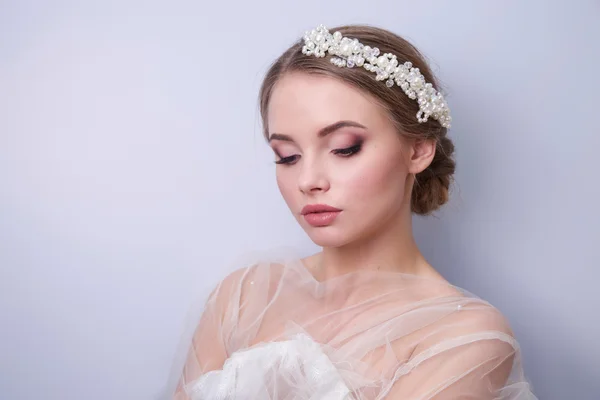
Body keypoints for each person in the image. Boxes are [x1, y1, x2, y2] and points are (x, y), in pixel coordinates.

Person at [170, 24, 537, 399]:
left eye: (344, 148)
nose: (308, 180)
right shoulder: (242, 296)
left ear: (418, 151)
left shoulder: (464, 337)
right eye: (287, 156)